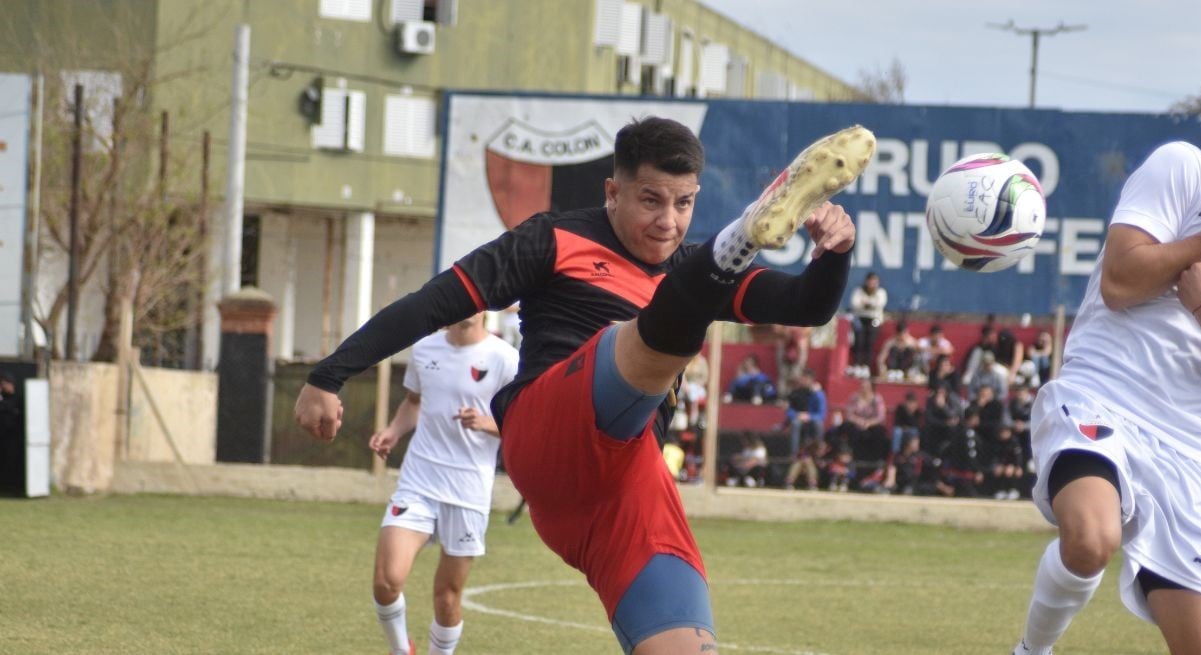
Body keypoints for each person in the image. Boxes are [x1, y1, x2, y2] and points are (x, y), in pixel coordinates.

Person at [295, 117, 874, 654]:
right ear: (612, 192)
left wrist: (837, 252)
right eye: (651, 200)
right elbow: (433, 303)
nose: (668, 222)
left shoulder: (690, 269)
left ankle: (739, 240)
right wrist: (328, 374)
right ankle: (744, 231)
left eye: (684, 203)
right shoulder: (553, 239)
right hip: (551, 427)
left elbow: (807, 305)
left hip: (625, 486)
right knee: (651, 330)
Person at [1011, 60, 1201, 655]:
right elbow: (1120, 282)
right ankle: (1030, 652)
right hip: (1103, 401)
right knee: (1091, 538)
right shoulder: (1181, 168)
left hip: (1189, 454)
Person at [367, 313, 519, 655]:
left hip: (468, 490)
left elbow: (525, 421)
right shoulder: (424, 349)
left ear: (484, 307)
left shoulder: (505, 358)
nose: (467, 307)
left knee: (447, 598)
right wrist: (393, 431)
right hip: (419, 480)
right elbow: (414, 402)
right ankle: (401, 650)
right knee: (386, 582)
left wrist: (487, 423)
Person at [848, 271, 887, 376]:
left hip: (874, 319)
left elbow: (879, 304)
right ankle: (857, 365)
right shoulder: (859, 291)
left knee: (869, 343)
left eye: (874, 282)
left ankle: (866, 366)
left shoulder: (880, 292)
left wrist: (865, 303)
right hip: (860, 319)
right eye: (870, 281)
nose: (872, 284)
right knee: (859, 342)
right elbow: (855, 304)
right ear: (866, 281)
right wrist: (869, 304)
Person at [784, 367, 827, 460]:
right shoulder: (796, 393)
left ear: (811, 379)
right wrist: (797, 415)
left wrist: (809, 416)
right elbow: (789, 410)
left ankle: (817, 453)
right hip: (799, 418)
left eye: (805, 378)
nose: (803, 380)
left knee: (818, 424)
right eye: (802, 378)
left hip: (812, 420)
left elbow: (821, 414)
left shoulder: (819, 394)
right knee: (795, 424)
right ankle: (793, 455)